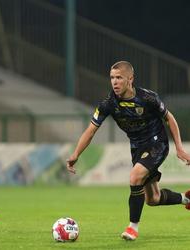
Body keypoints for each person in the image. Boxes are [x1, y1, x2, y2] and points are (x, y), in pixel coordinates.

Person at [66, 61, 190, 241]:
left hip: (157, 143)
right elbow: (90, 131)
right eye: (112, 78)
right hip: (137, 149)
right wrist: (75, 154)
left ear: (130, 79)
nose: (114, 82)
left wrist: (179, 148)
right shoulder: (108, 103)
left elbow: (170, 119)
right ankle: (187, 199)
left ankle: (132, 228)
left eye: (119, 78)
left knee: (135, 176)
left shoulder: (148, 98)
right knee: (153, 199)